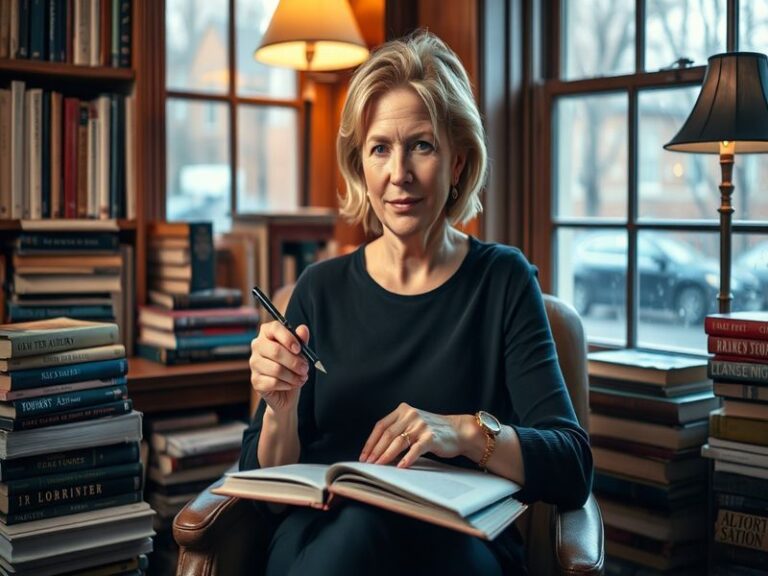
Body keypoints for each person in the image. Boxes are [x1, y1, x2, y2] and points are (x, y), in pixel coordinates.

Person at [242, 30, 593, 576]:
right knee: (359, 526)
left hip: (456, 544)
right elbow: (264, 494)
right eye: (380, 148)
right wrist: (280, 413)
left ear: (457, 162)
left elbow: (571, 464)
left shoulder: (502, 280)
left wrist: (465, 432)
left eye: (422, 146)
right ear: (361, 165)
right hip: (326, 539)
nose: (398, 174)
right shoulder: (317, 289)